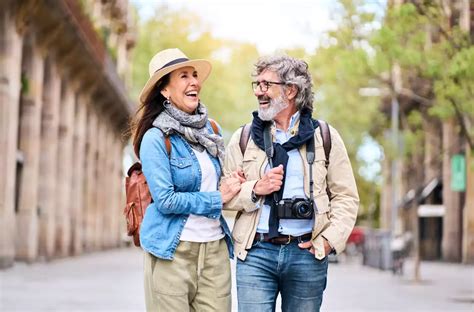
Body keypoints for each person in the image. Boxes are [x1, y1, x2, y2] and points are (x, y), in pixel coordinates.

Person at [223, 54, 359, 311]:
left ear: (291, 90)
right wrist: (255, 189)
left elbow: (346, 197)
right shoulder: (243, 138)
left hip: (307, 254)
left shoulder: (325, 137)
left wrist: (329, 240)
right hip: (256, 253)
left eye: (267, 85)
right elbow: (225, 197)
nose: (259, 92)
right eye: (257, 84)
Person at [130, 48, 243, 311]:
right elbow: (166, 200)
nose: (194, 81)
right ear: (165, 90)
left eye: (195, 75)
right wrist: (218, 197)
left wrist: (233, 183)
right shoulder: (156, 138)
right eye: (184, 76)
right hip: (173, 250)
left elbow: (215, 184)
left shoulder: (211, 131)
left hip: (214, 250)